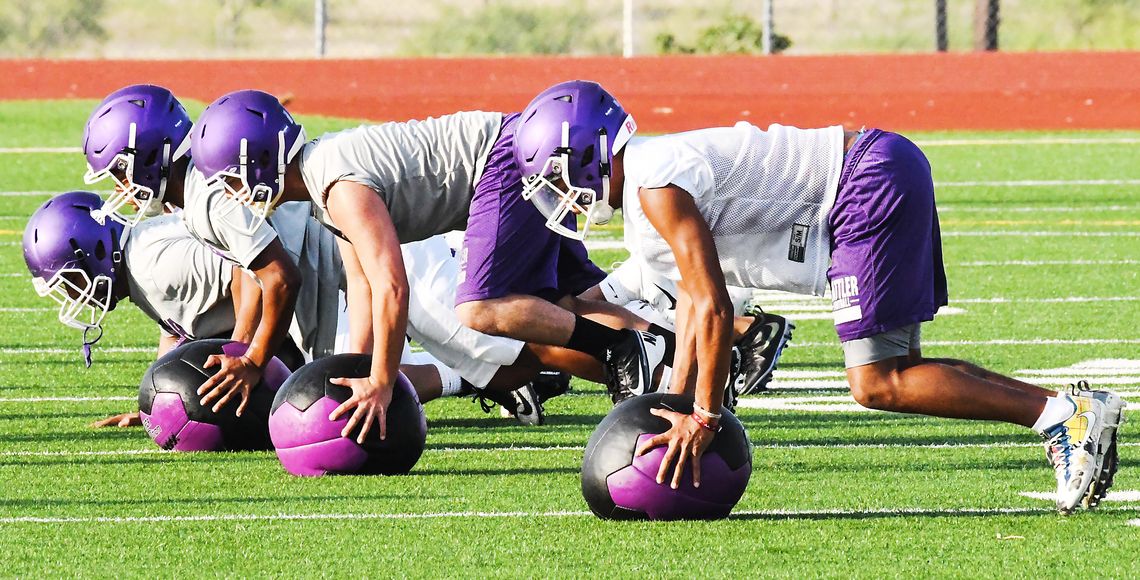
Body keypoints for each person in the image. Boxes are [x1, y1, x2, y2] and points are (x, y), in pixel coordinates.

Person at [510, 79, 1125, 514]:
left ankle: (1061, 417)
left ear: (587, 151)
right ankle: (1067, 411)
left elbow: (718, 307)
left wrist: (703, 415)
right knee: (899, 371)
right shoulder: (650, 186)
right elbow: (695, 309)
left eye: (556, 171)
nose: (557, 189)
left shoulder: (655, 184)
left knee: (877, 382)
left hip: (863, 181)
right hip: (875, 170)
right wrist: (673, 402)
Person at [187, 90, 669, 442]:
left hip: (506, 159)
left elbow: (393, 285)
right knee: (567, 304)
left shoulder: (338, 184)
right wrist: (359, 368)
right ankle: (691, 353)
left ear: (260, 162)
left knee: (481, 309)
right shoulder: (322, 182)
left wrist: (381, 381)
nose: (232, 195)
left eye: (230, 181)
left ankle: (622, 347)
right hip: (509, 155)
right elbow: (363, 288)